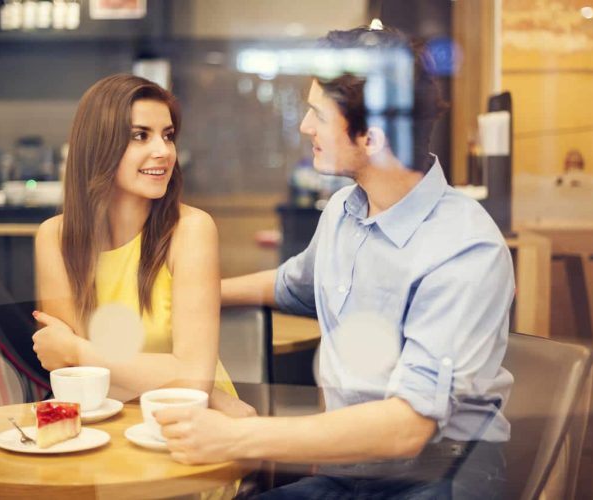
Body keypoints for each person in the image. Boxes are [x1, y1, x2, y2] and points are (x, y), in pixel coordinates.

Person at [154, 25, 515, 498]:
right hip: (352, 471)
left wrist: (238, 436)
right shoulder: (346, 210)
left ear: (373, 139)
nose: (305, 128)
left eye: (318, 115)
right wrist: (188, 292)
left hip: (440, 476)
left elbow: (406, 428)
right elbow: (293, 285)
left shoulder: (464, 249)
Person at [31, 74, 251, 415]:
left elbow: (194, 381)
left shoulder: (191, 230)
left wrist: (78, 350)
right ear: (99, 145)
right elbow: (75, 378)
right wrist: (175, 377)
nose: (163, 152)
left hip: (188, 420)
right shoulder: (54, 238)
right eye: (139, 136)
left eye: (168, 136)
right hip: (102, 418)